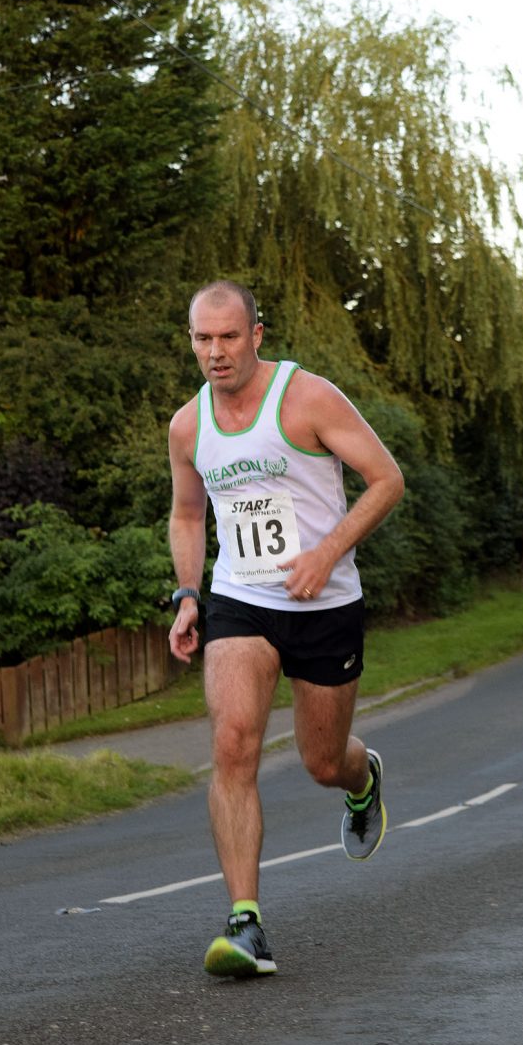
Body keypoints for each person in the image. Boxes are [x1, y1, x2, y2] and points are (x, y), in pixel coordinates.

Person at [168, 280, 405, 978]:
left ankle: (363, 780)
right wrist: (188, 594)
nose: (216, 351)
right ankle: (246, 923)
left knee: (321, 761)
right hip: (241, 598)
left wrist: (326, 552)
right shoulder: (189, 426)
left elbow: (386, 479)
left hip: (326, 602)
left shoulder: (306, 398)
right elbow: (187, 515)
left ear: (257, 334)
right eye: (203, 339)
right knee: (233, 742)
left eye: (229, 336)